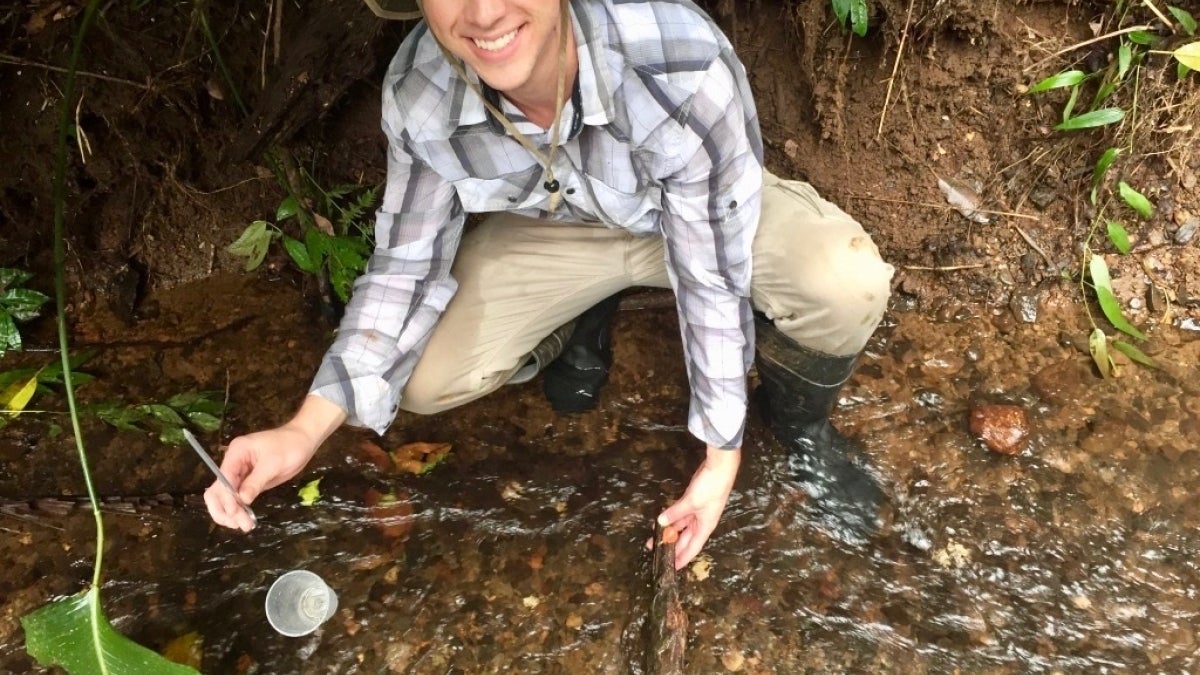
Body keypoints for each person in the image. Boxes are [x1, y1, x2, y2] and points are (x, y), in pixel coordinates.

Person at [205, 0, 895, 569]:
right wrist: (303, 430)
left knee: (844, 282)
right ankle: (582, 311)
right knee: (422, 378)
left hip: (694, 215)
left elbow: (711, 275)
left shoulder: (678, 60)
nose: (481, 13)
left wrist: (721, 454)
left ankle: (801, 428)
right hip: (557, 230)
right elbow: (405, 266)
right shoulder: (419, 93)